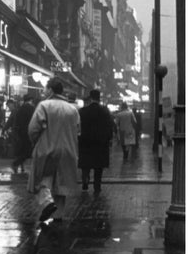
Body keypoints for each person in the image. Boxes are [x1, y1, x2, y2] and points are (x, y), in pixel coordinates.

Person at [28, 78, 80, 225]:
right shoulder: (72, 109)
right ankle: (58, 215)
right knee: (61, 184)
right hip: (68, 150)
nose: (44, 91)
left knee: (42, 179)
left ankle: (47, 203)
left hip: (47, 149)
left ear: (51, 90)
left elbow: (33, 129)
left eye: (45, 89)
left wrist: (36, 142)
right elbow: (78, 130)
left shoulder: (44, 106)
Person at [78, 89, 114, 193]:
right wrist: (109, 139)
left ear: (90, 97)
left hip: (85, 142)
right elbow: (109, 126)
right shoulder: (105, 111)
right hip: (100, 143)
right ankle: (97, 186)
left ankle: (85, 180)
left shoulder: (83, 111)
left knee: (86, 164)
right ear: (99, 97)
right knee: (99, 166)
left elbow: (78, 127)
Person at [9, 94, 35, 173]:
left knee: (24, 151)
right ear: (31, 100)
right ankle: (16, 164)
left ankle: (18, 165)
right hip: (28, 133)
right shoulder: (31, 108)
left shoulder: (20, 109)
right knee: (28, 151)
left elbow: (16, 121)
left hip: (21, 133)